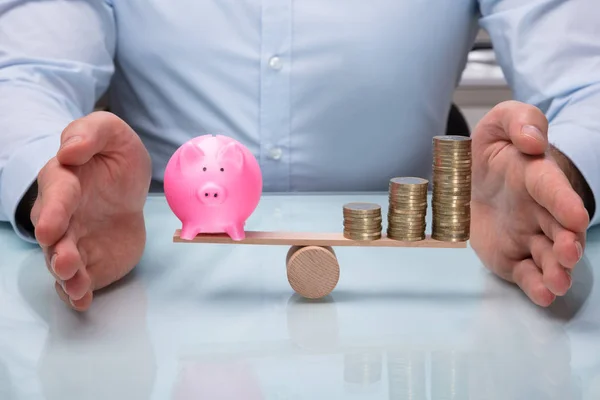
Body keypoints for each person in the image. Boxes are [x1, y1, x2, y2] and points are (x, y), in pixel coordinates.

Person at [0, 1, 598, 311]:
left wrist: (558, 173)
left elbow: (588, 81)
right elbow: (20, 79)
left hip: (423, 296)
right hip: (146, 281)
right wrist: (49, 180)